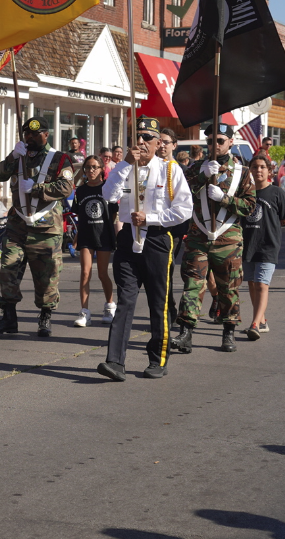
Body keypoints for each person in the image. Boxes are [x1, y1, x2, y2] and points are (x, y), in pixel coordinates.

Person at [96, 118, 193, 381]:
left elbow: (184, 210)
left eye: (146, 138)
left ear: (158, 143)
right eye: (137, 137)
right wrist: (125, 164)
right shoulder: (125, 168)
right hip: (128, 239)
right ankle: (115, 361)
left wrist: (150, 219)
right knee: (125, 300)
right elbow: (109, 195)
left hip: (158, 240)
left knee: (157, 303)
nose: (140, 142)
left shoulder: (170, 170)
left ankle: (157, 359)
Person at [174, 123, 257, 355]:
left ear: (230, 142)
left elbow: (250, 206)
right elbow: (181, 194)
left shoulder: (243, 172)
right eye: (210, 141)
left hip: (227, 239)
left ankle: (228, 330)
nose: (214, 145)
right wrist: (202, 176)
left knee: (228, 288)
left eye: (220, 140)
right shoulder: (195, 168)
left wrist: (225, 199)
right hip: (198, 236)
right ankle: (186, 332)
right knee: (192, 285)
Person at [0, 117, 73, 337]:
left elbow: (66, 187)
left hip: (46, 228)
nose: (30, 138)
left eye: (35, 134)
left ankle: (45, 316)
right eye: (27, 134)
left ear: (46, 134)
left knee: (47, 276)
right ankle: (9, 317)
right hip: (18, 225)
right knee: (8, 269)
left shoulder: (60, 158)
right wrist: (12, 157)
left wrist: (36, 188)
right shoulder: (19, 156)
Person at [241, 155, 285, 340]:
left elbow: (284, 218)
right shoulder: (245, 192)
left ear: (269, 171)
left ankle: (254, 324)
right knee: (252, 284)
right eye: (254, 167)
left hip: (268, 245)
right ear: (250, 170)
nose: (258, 170)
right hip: (248, 244)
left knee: (262, 284)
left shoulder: (277, 192)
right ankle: (261, 319)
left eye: (262, 167)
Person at [71, 155, 116, 327]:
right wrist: (76, 238)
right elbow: (80, 216)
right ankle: (84, 312)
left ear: (101, 169)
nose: (91, 171)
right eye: (88, 167)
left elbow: (112, 213)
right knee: (85, 273)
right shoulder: (81, 191)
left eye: (94, 167)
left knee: (103, 273)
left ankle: (109, 306)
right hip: (86, 236)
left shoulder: (107, 188)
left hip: (103, 235)